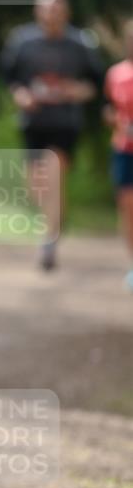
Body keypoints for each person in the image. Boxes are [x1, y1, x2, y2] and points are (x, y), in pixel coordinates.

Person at [0, 0, 104, 270]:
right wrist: (20, 95)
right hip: (33, 123)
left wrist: (76, 91)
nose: (51, 13)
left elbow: (94, 85)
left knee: (54, 173)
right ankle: (53, 220)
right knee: (36, 186)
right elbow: (9, 79)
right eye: (46, 8)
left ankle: (49, 240)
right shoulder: (22, 42)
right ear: (37, 10)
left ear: (66, 12)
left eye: (57, 8)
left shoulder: (80, 43)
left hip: (65, 123)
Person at [102, 19, 133, 290]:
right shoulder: (116, 74)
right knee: (127, 206)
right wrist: (114, 120)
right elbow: (108, 108)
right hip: (124, 148)